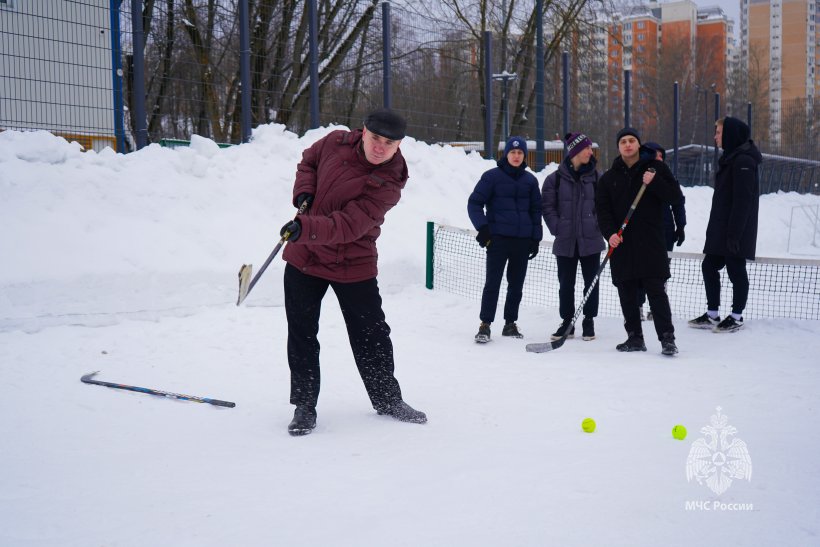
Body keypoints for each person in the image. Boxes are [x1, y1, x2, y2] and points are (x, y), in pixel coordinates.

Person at [279, 108, 426, 436]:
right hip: (305, 258)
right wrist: (304, 192)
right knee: (302, 333)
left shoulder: (390, 182)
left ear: (399, 146)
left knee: (372, 334)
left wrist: (304, 228)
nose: (380, 148)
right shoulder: (334, 142)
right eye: (376, 138)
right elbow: (309, 160)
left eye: (389, 143)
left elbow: (348, 225)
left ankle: (388, 399)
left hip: (352, 261)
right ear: (363, 132)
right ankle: (304, 405)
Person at [595, 127, 684, 356]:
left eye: (631, 140)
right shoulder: (608, 179)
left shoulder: (656, 168)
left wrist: (654, 183)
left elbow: (675, 196)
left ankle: (667, 339)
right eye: (623, 141)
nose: (627, 144)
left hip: (651, 244)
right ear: (618, 147)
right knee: (627, 293)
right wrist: (610, 234)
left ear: (638, 144)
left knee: (656, 293)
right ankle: (634, 337)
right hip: (622, 245)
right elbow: (602, 211)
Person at [688, 116, 761, 333]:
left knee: (735, 269)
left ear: (729, 134)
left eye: (718, 132)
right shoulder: (731, 158)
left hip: (736, 230)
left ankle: (736, 316)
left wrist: (734, 235)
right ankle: (712, 315)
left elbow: (743, 202)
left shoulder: (744, 161)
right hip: (722, 228)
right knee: (709, 265)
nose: (715, 137)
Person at [468, 136, 543, 343]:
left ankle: (510, 323)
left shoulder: (530, 181)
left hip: (522, 241)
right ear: (506, 154)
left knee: (516, 284)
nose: (516, 156)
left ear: (524, 156)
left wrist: (535, 238)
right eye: (513, 152)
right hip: (498, 240)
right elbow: (474, 203)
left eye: (520, 153)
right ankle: (485, 324)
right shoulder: (492, 177)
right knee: (493, 283)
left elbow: (536, 210)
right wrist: (483, 229)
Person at [541, 132, 605, 341]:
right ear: (575, 151)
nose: (590, 151)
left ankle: (589, 320)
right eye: (586, 148)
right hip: (566, 241)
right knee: (566, 284)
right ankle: (567, 321)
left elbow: (605, 208)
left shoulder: (597, 177)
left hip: (591, 240)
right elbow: (547, 207)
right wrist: (557, 227)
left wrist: (597, 226)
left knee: (591, 283)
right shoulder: (555, 179)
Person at [637, 141, 687, 321]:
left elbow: (678, 202)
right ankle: (639, 306)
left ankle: (656, 308)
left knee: (661, 271)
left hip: (665, 232)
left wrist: (680, 226)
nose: (658, 159)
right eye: (654, 155)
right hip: (643, 232)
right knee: (640, 270)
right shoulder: (637, 177)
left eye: (660, 156)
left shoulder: (669, 179)